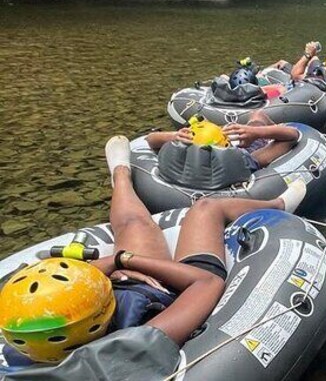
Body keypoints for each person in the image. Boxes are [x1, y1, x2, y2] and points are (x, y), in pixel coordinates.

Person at [0, 136, 307, 365]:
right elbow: (206, 283)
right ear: (97, 316)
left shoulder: (29, 343)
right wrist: (126, 260)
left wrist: (118, 269)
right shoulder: (133, 344)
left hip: (131, 285)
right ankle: (278, 205)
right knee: (205, 209)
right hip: (180, 287)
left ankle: (121, 172)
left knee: (134, 223)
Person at [146, 110, 300, 172]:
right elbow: (293, 136)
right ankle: (265, 129)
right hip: (248, 146)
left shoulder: (181, 163)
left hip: (227, 147)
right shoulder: (246, 162)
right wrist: (256, 133)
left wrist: (175, 136)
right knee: (257, 115)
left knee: (255, 117)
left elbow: (150, 139)